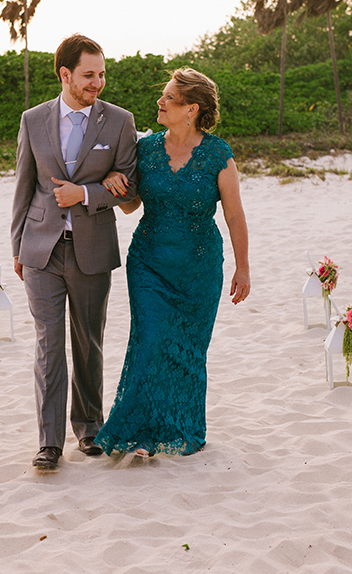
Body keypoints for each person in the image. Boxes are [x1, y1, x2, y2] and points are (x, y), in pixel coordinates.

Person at [94, 68, 250, 458]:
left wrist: (242, 267)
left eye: (168, 98)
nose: (159, 103)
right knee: (150, 342)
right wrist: (116, 180)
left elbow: (234, 215)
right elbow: (130, 206)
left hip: (199, 268)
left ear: (191, 109)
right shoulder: (145, 150)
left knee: (187, 351)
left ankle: (179, 429)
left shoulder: (218, 154)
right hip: (148, 263)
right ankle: (141, 434)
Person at [11, 34, 139, 470]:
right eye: (89, 75)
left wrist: (84, 194)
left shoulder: (121, 122)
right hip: (40, 249)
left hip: (92, 250)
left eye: (102, 73)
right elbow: (23, 186)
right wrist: (17, 248)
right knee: (49, 345)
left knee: (89, 342)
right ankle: (49, 442)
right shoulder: (32, 120)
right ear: (65, 75)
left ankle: (89, 429)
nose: (98, 82)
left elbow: (129, 189)